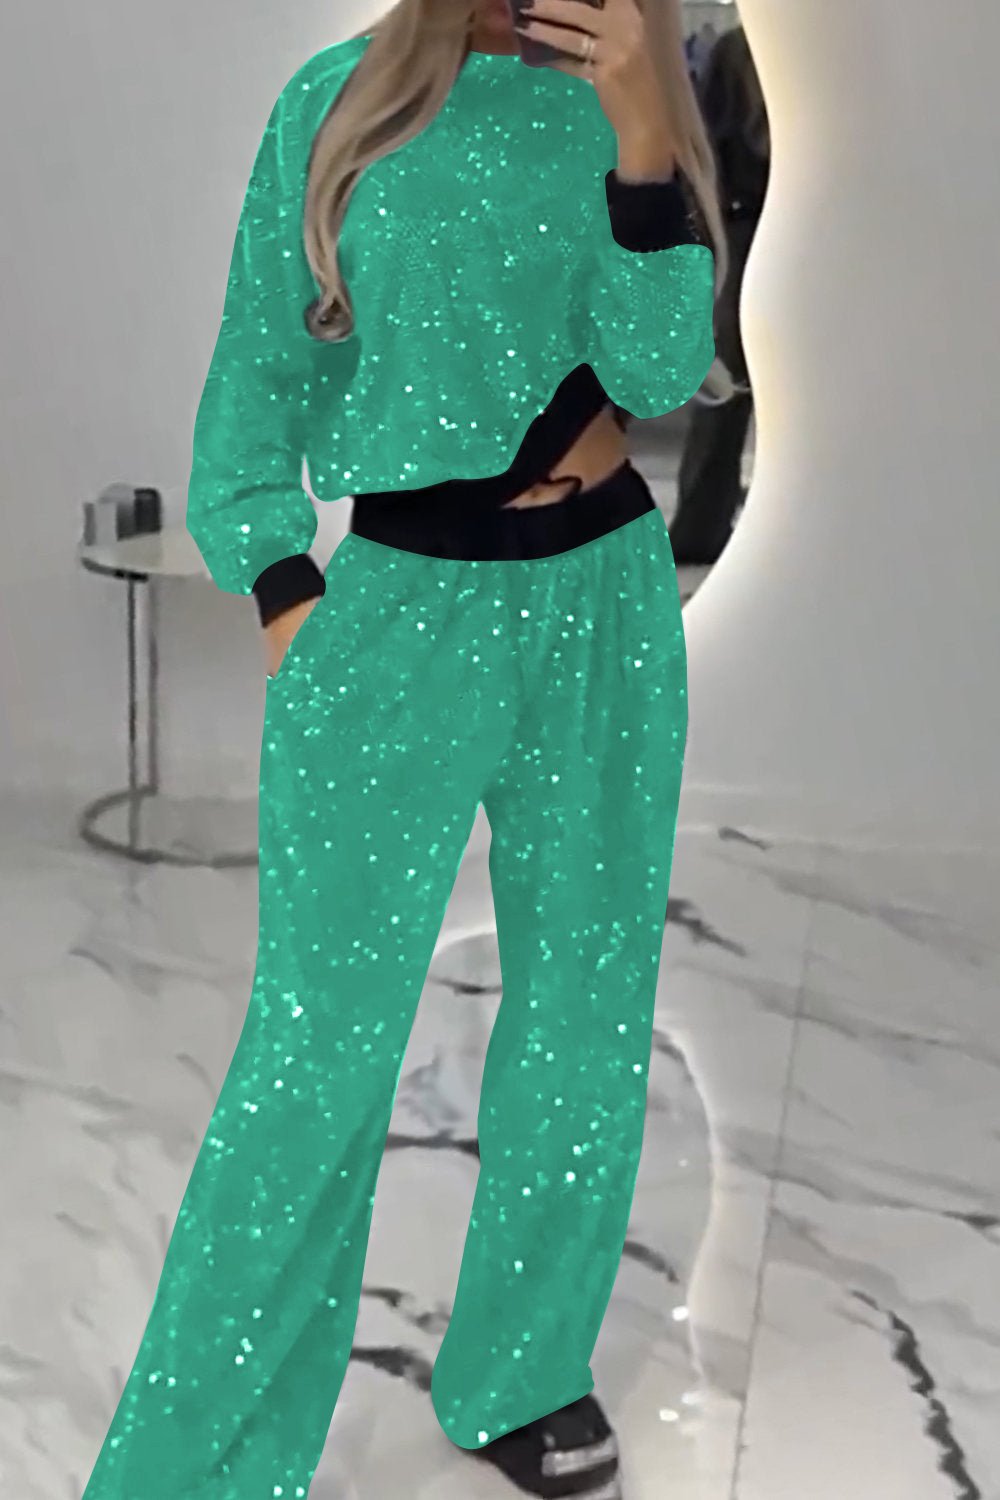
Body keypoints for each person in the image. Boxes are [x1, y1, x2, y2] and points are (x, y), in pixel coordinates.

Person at [81, 2, 722, 1497]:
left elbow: (657, 369)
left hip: (604, 602)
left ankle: (522, 1371)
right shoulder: (340, 98)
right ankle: (197, 1466)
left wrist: (643, 133)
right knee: (315, 1050)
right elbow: (261, 370)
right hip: (401, 610)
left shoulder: (626, 96)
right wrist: (281, 583)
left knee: (586, 1007)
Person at [670, 22, 770, 565]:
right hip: (766, 224)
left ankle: (701, 525)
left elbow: (706, 149)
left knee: (729, 388)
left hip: (744, 226)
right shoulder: (743, 47)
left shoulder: (740, 46)